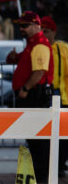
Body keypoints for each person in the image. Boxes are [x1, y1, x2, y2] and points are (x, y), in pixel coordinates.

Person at [6, 11, 53, 182]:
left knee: (37, 138)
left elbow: (39, 72)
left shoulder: (40, 44)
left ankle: (41, 176)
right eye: (20, 26)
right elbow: (24, 62)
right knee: (34, 137)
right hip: (32, 94)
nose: (21, 29)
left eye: (25, 26)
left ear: (36, 25)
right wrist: (13, 57)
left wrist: (25, 88)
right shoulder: (32, 44)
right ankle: (39, 174)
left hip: (35, 95)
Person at [41, 16, 68, 177]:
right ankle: (49, 166)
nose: (44, 34)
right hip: (46, 96)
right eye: (42, 31)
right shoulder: (40, 47)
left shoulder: (62, 49)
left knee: (63, 135)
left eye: (47, 31)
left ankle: (59, 165)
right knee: (46, 134)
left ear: (54, 32)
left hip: (62, 97)